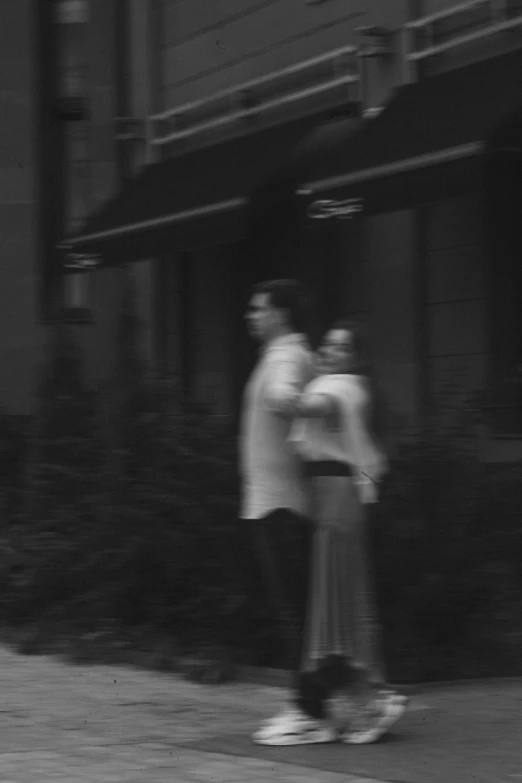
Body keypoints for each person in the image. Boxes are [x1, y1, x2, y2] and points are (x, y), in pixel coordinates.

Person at [255, 318, 407, 746]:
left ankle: (367, 701)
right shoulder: (346, 385)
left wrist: (277, 375)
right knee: (338, 601)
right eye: (327, 344)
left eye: (340, 347)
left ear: (356, 358)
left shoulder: (342, 387)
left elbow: (301, 408)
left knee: (336, 601)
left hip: (337, 500)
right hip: (333, 498)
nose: (329, 351)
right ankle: (363, 701)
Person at [240, 279, 318, 726]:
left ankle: (309, 708)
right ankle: (320, 699)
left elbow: (283, 393)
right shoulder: (278, 354)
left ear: (281, 314)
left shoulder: (287, 355)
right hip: (272, 502)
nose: (252, 316)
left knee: (294, 612)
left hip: (280, 506)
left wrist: (291, 401)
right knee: (296, 609)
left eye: (259, 308)